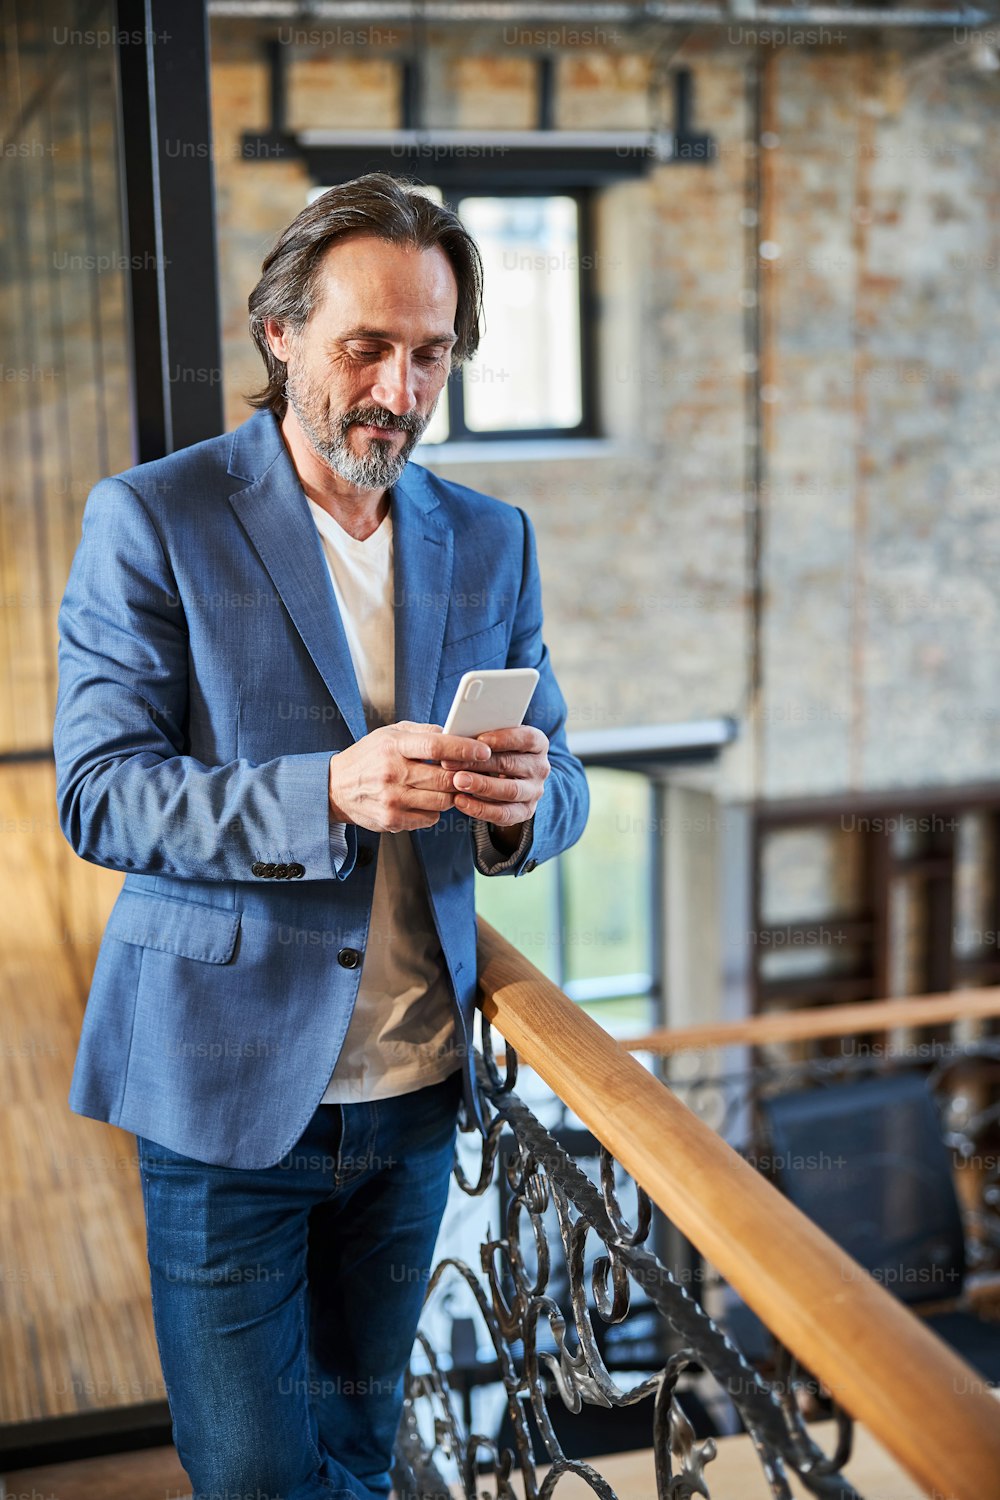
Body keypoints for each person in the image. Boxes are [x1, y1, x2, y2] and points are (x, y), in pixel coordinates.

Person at [53, 172, 589, 1500]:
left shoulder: (491, 538)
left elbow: (566, 777)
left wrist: (527, 804)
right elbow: (101, 794)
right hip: (225, 1100)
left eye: (431, 355)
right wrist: (325, 795)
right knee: (249, 1474)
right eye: (369, 348)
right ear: (279, 333)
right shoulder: (154, 521)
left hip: (414, 1104)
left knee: (358, 1451)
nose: (400, 392)